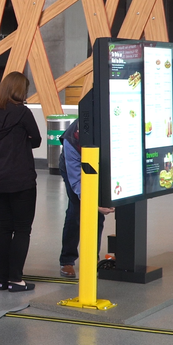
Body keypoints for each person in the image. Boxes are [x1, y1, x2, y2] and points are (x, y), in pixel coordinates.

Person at [0, 72, 41, 292]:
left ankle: (3, 279)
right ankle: (17, 279)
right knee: (23, 229)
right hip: (20, 179)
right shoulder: (22, 113)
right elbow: (36, 140)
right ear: (19, 90)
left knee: (4, 227)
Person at [59, 118, 115, 278]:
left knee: (97, 217)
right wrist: (93, 204)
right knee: (76, 211)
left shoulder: (111, 130)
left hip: (101, 165)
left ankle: (92, 258)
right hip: (75, 168)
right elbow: (77, 181)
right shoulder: (72, 141)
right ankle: (67, 260)